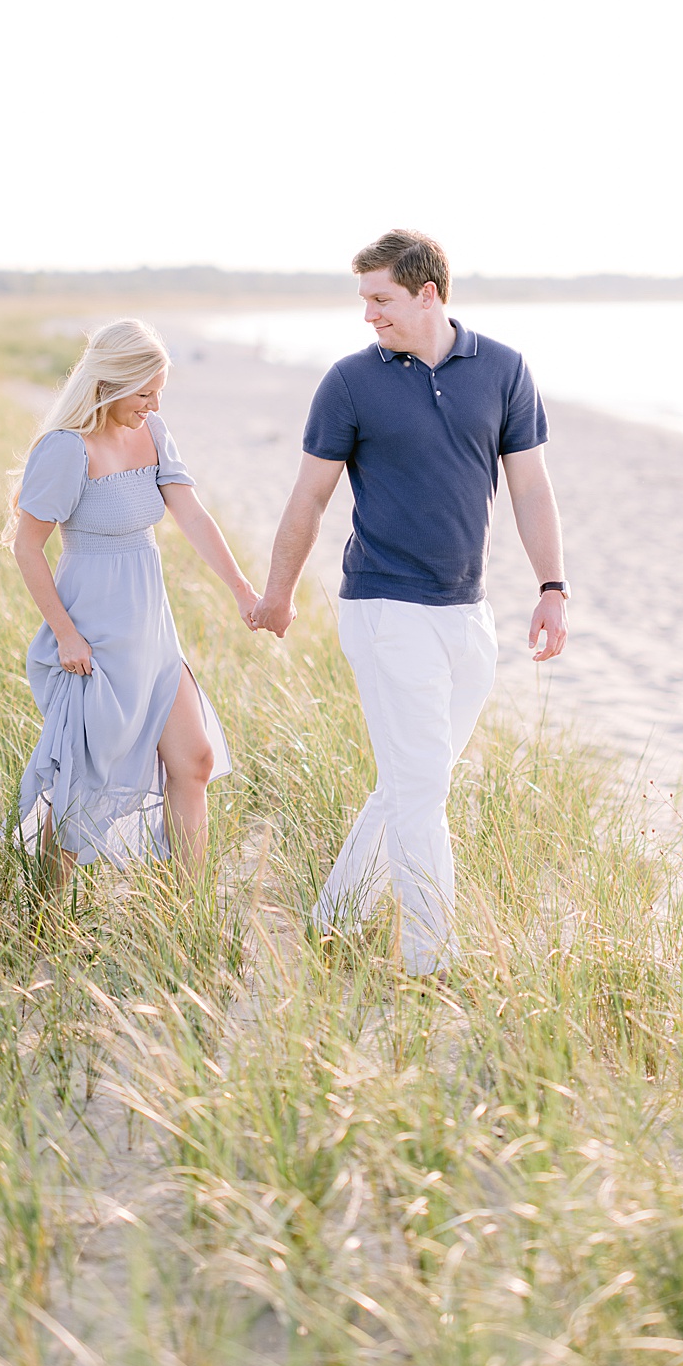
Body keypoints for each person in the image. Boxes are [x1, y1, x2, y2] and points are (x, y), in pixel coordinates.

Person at [251, 230, 568, 975]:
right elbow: (310, 497)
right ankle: (433, 959)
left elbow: (530, 486)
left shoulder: (503, 370)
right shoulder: (350, 382)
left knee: (415, 779)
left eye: (380, 298)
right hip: (385, 607)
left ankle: (333, 917)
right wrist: (279, 591)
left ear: (428, 293)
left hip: (470, 612)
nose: (368, 315)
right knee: (423, 788)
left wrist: (552, 587)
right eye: (364, 299)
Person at [1, 319, 258, 887]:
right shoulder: (66, 449)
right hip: (92, 635)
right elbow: (27, 548)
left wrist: (242, 590)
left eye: (159, 390)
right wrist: (66, 634)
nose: (154, 402)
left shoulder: (155, 433)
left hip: (153, 632)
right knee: (83, 785)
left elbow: (191, 514)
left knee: (195, 760)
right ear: (110, 383)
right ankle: (43, 919)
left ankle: (189, 914)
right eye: (144, 392)